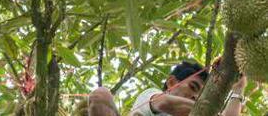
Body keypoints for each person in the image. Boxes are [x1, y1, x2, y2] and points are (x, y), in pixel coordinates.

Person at [88, 60, 247, 116]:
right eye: (193, 87)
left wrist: (238, 88)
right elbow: (164, 103)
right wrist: (210, 109)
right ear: (171, 83)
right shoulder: (152, 95)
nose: (194, 97)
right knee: (101, 94)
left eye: (198, 96)